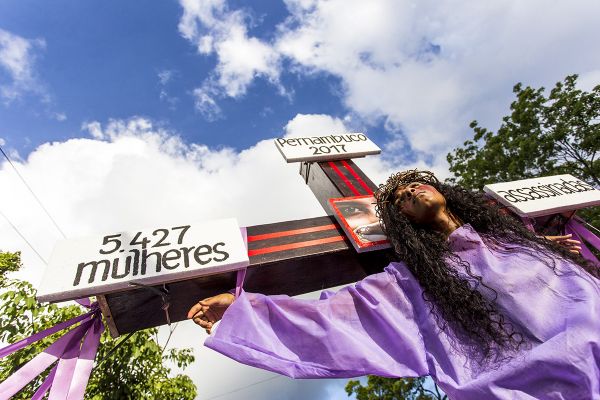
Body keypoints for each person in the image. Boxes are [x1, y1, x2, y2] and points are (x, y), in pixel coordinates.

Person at [187, 170, 600, 399]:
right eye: (399, 197)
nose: (409, 191)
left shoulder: (519, 241)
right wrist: (243, 311)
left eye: (414, 183)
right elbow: (331, 319)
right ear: (401, 224)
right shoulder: (410, 286)